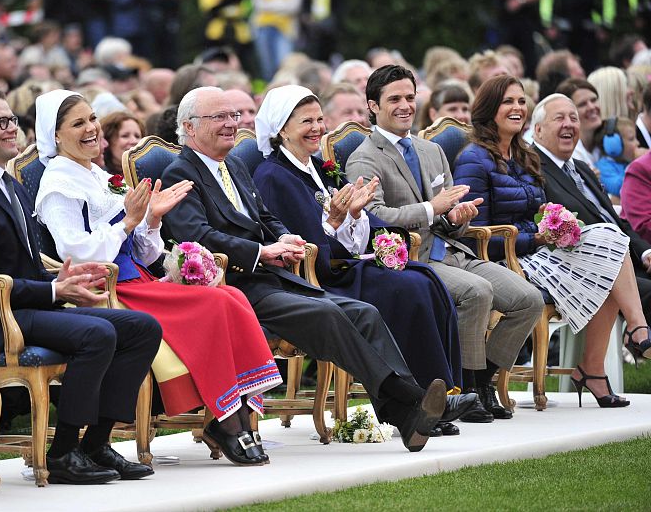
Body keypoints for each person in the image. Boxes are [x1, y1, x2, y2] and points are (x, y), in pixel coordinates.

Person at [160, 86, 477, 453]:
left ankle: (408, 415)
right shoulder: (179, 173)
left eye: (234, 116)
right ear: (190, 126)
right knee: (328, 312)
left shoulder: (232, 166)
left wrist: (286, 238)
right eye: (220, 117)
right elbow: (197, 235)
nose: (232, 124)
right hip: (232, 287)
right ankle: (414, 401)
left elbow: (264, 216)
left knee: (365, 313)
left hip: (273, 277)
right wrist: (262, 251)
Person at [33, 89, 282, 466]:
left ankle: (239, 412)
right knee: (215, 302)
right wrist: (130, 222)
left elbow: (145, 253)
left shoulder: (98, 175)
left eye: (91, 119)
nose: (90, 129)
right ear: (55, 135)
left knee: (230, 296)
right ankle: (228, 420)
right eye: (77, 123)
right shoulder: (57, 185)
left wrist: (151, 220)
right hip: (101, 289)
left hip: (134, 280)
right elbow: (77, 253)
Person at [0, 87, 163, 485]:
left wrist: (61, 280)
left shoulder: (10, 184)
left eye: (11, 120)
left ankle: (96, 443)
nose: (11, 128)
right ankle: (62, 453)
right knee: (98, 333)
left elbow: (25, 266)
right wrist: (55, 291)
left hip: (26, 305)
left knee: (143, 327)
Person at [252, 85, 474, 436]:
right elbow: (307, 245)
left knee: (425, 280)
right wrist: (337, 222)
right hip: (317, 277)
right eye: (306, 121)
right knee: (408, 288)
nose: (317, 128)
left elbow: (348, 228)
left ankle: (440, 395)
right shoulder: (273, 176)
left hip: (345, 264)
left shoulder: (319, 169)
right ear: (281, 129)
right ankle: (427, 403)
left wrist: (357, 217)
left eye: (320, 119)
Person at [346, 65, 545, 421]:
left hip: (454, 248)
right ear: (373, 106)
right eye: (394, 99)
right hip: (412, 257)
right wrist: (430, 208)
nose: (405, 105)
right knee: (476, 292)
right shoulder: (364, 157)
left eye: (409, 97)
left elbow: (446, 215)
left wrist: (455, 217)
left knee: (528, 300)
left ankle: (482, 380)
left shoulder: (431, 151)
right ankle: (464, 389)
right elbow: (373, 220)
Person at [455, 76, 642, 408]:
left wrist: (555, 222)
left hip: (536, 250)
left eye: (521, 101)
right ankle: (635, 334)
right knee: (608, 248)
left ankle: (605, 358)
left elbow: (533, 210)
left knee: (610, 246)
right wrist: (536, 236)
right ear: (489, 109)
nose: (517, 108)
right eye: (508, 102)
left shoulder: (523, 155)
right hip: (502, 256)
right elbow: (475, 234)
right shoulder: (474, 158)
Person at [532, 92, 651, 367]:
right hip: (582, 264)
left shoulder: (582, 168)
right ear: (537, 130)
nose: (569, 124)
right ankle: (637, 332)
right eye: (559, 118)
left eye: (573, 118)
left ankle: (632, 337)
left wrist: (645, 253)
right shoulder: (533, 168)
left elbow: (616, 221)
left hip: (626, 258)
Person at [594, 116, 641, 199]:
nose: (637, 143)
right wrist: (639, 165)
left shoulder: (625, 162)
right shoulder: (602, 168)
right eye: (631, 139)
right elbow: (620, 187)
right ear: (613, 145)